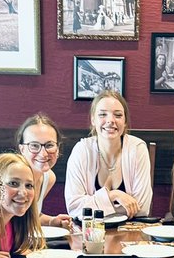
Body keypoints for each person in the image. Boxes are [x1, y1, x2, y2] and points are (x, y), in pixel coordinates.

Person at [64, 90, 153, 219]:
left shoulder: (137, 148)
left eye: (118, 115)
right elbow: (74, 208)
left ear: (125, 121)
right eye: (102, 115)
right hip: (90, 232)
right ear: (93, 120)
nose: (110, 120)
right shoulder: (82, 150)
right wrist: (113, 195)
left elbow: (142, 208)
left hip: (129, 233)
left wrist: (94, 206)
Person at [17, 114, 73, 230]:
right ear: (22, 149)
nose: (43, 153)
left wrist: (52, 221)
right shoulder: (12, 177)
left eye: (49, 145)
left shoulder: (49, 177)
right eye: (34, 145)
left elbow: (30, 216)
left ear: (58, 149)